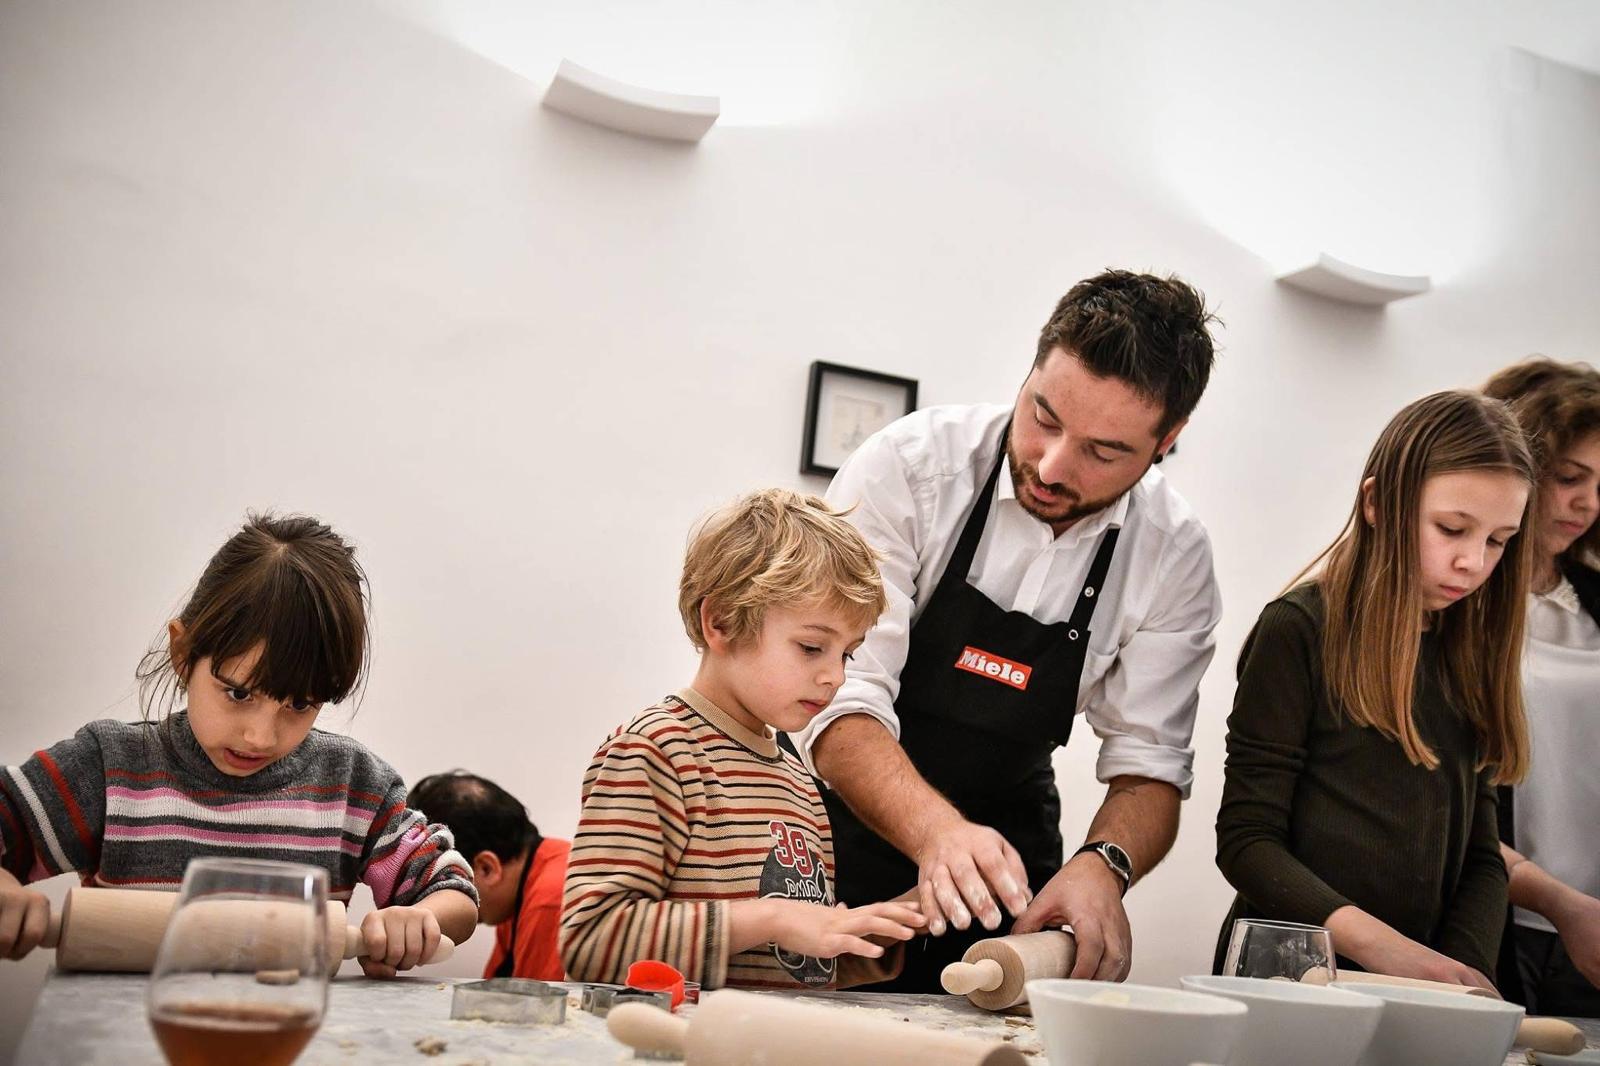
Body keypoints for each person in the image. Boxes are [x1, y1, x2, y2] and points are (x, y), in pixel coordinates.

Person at [790, 269, 1222, 990]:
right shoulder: (911, 468)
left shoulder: (1172, 554)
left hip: (1009, 856)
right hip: (831, 834)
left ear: (1166, 441)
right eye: (1043, 417)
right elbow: (839, 697)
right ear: (1030, 372)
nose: (1052, 465)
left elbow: (1150, 767)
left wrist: (1105, 866)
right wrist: (936, 833)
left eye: (1103, 451)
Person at [0, 513, 478, 976]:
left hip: (290, 1026)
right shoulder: (111, 768)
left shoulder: (353, 787)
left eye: (299, 704)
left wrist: (419, 920)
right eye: (238, 693)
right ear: (183, 652)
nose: (260, 737)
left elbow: (453, 888)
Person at [1215, 391, 1535, 990]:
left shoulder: (1473, 652)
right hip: (1290, 979)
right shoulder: (1298, 629)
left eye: (1498, 540)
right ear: (1377, 503)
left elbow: (1482, 857)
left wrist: (1458, 974)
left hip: (1421, 986)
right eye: (1452, 529)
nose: (1473, 561)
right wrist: (1393, 955)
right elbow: (1248, 843)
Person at [560, 489, 925, 990]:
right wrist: (772, 918)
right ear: (722, 622)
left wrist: (898, 920)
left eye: (848, 654)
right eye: (812, 647)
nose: (836, 677)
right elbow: (591, 942)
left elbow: (791, 967)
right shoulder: (656, 751)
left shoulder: (799, 780)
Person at [1483, 358, 1600, 1016]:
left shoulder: (1593, 598)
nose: (1589, 504)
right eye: (1570, 478)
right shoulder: (1459, 603)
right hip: (1496, 917)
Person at [408, 771, 569, 981]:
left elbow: (538, 1000)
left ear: (486, 868)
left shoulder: (550, 902)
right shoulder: (517, 889)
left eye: (439, 887)